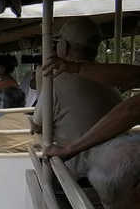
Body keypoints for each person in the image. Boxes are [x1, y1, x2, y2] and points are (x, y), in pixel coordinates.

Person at [40, 53, 140, 209]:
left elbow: (132, 108)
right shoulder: (108, 87)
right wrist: (75, 68)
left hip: (85, 178)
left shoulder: (56, 85)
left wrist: (70, 149)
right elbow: (132, 78)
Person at [31, 17, 122, 167]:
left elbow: (37, 125)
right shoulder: (108, 78)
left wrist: (42, 80)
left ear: (63, 46)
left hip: (79, 175)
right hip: (116, 169)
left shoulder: (56, 82)